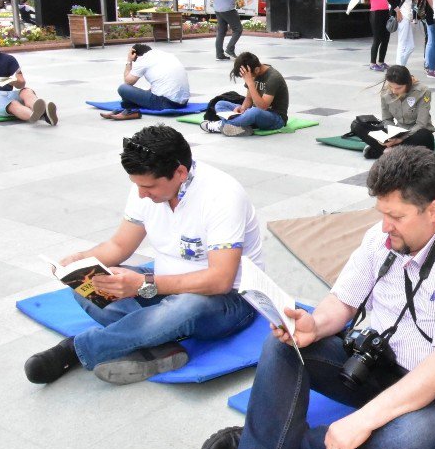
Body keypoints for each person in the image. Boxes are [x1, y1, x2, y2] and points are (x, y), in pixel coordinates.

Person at [198, 146, 435, 449]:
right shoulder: (381, 239)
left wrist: (362, 420)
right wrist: (314, 325)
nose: (384, 226)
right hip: (381, 366)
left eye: (396, 216)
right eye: (381, 213)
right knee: (283, 347)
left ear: (434, 210)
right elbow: (343, 301)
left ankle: (262, 446)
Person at [23, 125, 263, 385]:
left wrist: (145, 285)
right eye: (136, 185)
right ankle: (161, 342)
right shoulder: (146, 187)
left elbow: (220, 280)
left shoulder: (222, 195)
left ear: (180, 172)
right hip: (164, 286)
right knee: (90, 284)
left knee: (186, 306)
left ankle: (77, 350)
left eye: (148, 187)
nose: (141, 194)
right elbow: (118, 246)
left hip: (227, 301)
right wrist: (82, 259)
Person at [350, 65, 435, 159]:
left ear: (408, 83)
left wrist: (400, 139)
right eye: (391, 87)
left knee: (425, 136)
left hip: (414, 134)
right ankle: (392, 151)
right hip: (396, 132)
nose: (394, 91)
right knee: (356, 125)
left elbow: (421, 124)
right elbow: (387, 119)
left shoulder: (423, 91)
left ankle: (380, 151)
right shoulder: (386, 93)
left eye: (398, 88)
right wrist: (391, 136)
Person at [201, 52, 289, 137]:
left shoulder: (273, 78)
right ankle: (241, 127)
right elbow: (249, 99)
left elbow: (262, 107)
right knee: (220, 104)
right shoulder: (251, 73)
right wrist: (242, 109)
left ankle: (220, 125)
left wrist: (250, 83)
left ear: (257, 70)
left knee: (254, 112)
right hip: (253, 113)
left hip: (276, 118)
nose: (245, 78)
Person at [101, 44, 191, 121]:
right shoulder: (165, 55)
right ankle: (127, 109)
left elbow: (128, 81)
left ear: (135, 55)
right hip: (183, 102)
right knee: (145, 91)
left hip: (166, 104)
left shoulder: (143, 59)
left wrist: (129, 61)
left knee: (123, 88)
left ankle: (130, 110)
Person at [387, 0, 418, 67]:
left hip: (407, 18)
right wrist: (397, 10)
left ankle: (401, 68)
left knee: (411, 46)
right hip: (403, 18)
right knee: (403, 45)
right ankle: (398, 71)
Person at [362, 0, 391, 71]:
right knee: (377, 38)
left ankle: (381, 61)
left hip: (385, 12)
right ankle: (372, 63)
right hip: (376, 13)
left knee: (386, 39)